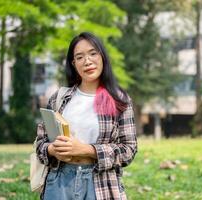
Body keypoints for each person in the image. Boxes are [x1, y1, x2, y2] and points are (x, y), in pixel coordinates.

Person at [35, 32, 137, 200]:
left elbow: (129, 150)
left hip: (101, 184)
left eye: (93, 53)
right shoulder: (59, 99)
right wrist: (53, 149)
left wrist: (87, 150)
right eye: (80, 57)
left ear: (102, 56)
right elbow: (40, 145)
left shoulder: (119, 100)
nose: (87, 61)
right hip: (59, 182)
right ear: (74, 64)